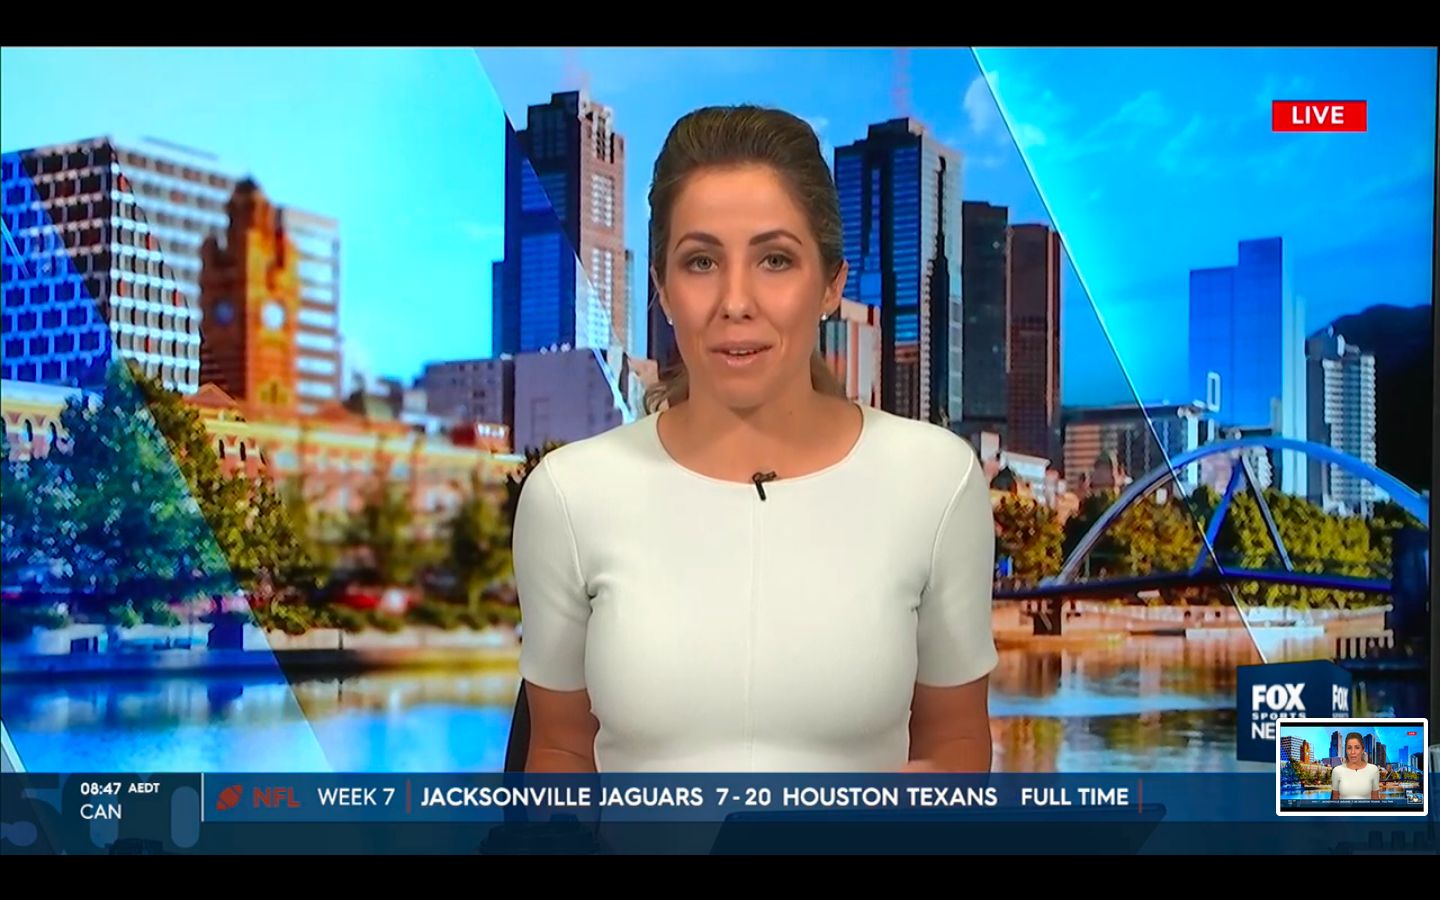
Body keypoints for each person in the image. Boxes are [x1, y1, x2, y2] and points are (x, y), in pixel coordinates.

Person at [512, 104, 997, 773]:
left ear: (831, 284)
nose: (736, 302)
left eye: (774, 260)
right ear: (662, 288)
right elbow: (559, 750)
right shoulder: (570, 495)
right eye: (701, 261)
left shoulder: (935, 479)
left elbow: (957, 742)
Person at [1331, 732, 1381, 801]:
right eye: (1349, 748)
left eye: (1357, 748)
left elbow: (1375, 800)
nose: (1353, 752)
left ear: (1363, 750)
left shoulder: (1373, 769)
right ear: (1346, 750)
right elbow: (1335, 800)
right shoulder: (1337, 771)